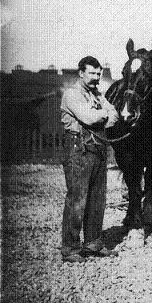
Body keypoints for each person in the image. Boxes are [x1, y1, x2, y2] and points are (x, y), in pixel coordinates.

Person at [60, 56, 120, 263]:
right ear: (81, 73)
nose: (96, 77)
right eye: (92, 73)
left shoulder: (97, 95)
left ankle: (93, 242)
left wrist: (101, 114)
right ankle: (70, 248)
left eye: (98, 74)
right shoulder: (71, 94)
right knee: (77, 199)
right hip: (78, 150)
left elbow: (114, 115)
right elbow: (88, 118)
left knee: (97, 198)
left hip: (97, 148)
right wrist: (103, 114)